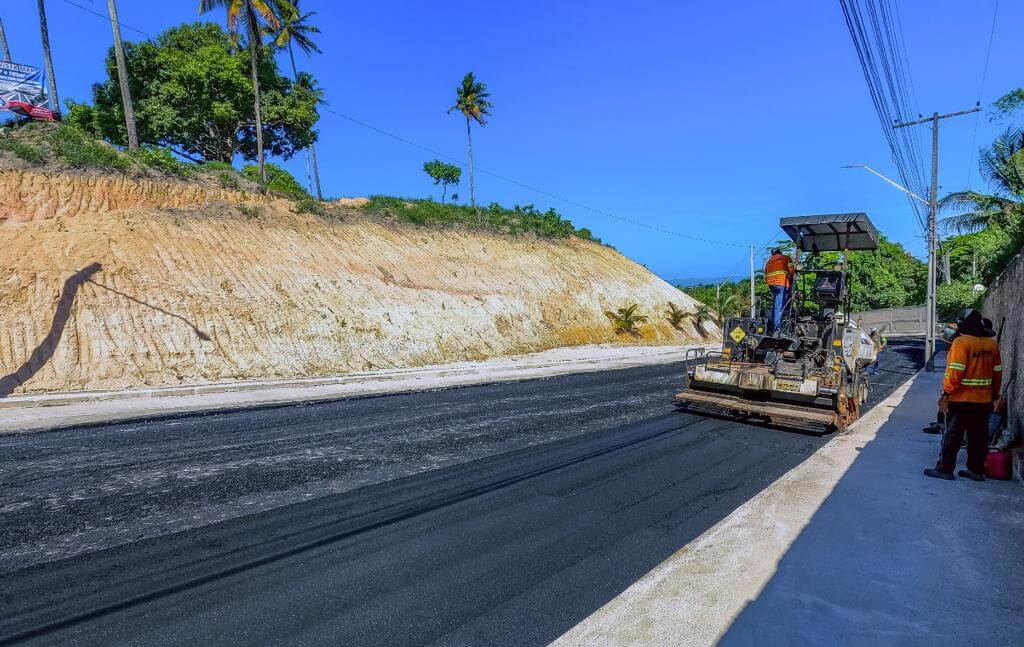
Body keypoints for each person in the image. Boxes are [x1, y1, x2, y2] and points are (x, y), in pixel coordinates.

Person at [924, 309, 1002, 481]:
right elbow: (997, 373)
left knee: (953, 436)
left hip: (961, 399)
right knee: (978, 437)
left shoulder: (961, 343)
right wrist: (994, 394)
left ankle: (945, 469)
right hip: (984, 401)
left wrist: (946, 393)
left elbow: (955, 372)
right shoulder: (991, 345)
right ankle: (976, 471)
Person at [764, 247, 795, 333]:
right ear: (780, 252)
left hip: (771, 285)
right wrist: (791, 278)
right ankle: (777, 328)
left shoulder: (768, 262)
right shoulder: (786, 258)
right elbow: (792, 271)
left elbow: (766, 274)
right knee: (779, 306)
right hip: (781, 284)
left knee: (776, 304)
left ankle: (774, 323)